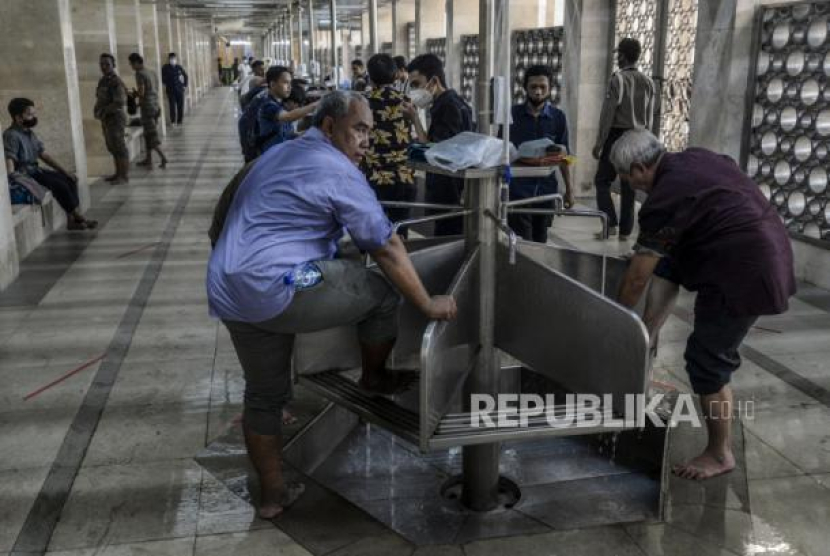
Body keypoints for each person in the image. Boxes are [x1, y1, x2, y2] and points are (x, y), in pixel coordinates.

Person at [207, 90, 457, 519]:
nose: (366, 141)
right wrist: (428, 304)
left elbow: (219, 221)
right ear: (328, 126)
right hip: (281, 286)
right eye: (358, 129)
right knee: (384, 292)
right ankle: (374, 378)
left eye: (370, 132)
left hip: (229, 288)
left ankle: (271, 496)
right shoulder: (338, 171)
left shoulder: (274, 154)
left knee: (263, 397)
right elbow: (388, 247)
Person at [612, 129, 795, 481]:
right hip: (763, 250)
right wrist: (644, 333)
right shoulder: (695, 158)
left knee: (707, 361)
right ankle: (717, 443)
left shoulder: (663, 197)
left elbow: (638, 278)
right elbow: (668, 268)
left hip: (743, 271)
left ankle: (719, 453)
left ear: (638, 169)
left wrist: (615, 324)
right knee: (669, 264)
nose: (630, 187)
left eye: (627, 180)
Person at [404, 53, 474, 236]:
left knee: (447, 237)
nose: (414, 91)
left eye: (417, 84)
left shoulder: (448, 107)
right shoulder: (446, 103)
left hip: (450, 191)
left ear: (434, 81)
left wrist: (414, 119)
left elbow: (435, 150)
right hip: (447, 189)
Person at [592, 37, 656, 241]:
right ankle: (626, 231)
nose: (617, 59)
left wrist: (600, 142)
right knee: (629, 184)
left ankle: (609, 223)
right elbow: (650, 115)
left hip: (617, 136)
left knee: (602, 180)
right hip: (639, 136)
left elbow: (608, 114)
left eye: (618, 54)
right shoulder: (648, 82)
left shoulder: (618, 79)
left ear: (622, 55)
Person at [4, 98, 98, 230]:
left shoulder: (28, 132)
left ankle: (72, 220)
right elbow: (10, 158)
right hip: (25, 174)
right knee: (59, 185)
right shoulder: (11, 135)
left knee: (69, 180)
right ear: (18, 117)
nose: (33, 117)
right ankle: (78, 217)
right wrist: (12, 177)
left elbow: (44, 155)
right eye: (30, 115)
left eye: (33, 114)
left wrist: (64, 171)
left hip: (36, 170)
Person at [508, 65, 574, 243]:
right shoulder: (512, 115)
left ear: (550, 88)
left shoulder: (558, 117)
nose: (538, 92)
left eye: (543, 87)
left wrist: (569, 189)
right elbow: (502, 151)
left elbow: (566, 156)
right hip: (518, 192)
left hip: (546, 191)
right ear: (525, 88)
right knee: (523, 243)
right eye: (533, 87)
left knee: (541, 242)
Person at [361, 54, 416, 237]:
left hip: (373, 177)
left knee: (374, 233)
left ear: (370, 76)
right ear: (395, 76)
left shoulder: (363, 103)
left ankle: (371, 265)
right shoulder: (406, 102)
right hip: (403, 176)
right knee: (399, 232)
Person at [257, 66, 317, 154]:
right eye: (285, 83)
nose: (290, 87)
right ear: (273, 84)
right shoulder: (268, 105)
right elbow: (288, 117)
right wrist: (316, 105)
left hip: (282, 153)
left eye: (290, 83)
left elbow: (289, 135)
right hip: (272, 157)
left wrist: (313, 132)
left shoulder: (280, 105)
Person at [94, 53, 129, 184]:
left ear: (113, 65)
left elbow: (119, 102)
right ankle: (117, 173)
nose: (104, 67)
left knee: (119, 146)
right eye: (101, 64)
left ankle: (124, 176)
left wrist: (103, 111)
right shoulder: (103, 80)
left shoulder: (116, 81)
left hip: (116, 118)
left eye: (107, 64)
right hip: (106, 119)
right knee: (112, 146)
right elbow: (100, 98)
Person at [128, 53, 168, 169]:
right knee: (147, 134)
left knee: (151, 135)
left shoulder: (139, 74)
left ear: (136, 62)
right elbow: (155, 89)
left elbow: (142, 93)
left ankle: (163, 158)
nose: (131, 66)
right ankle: (148, 159)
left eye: (131, 64)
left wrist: (134, 96)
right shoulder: (151, 72)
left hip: (147, 108)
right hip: (155, 106)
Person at [161, 52, 189, 126]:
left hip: (179, 90)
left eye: (174, 59)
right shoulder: (165, 67)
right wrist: (167, 81)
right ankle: (173, 121)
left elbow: (185, 76)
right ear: (169, 59)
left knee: (180, 106)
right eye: (171, 59)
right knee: (172, 106)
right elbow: (163, 78)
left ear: (176, 59)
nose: (173, 60)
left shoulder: (179, 67)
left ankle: (180, 120)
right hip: (171, 90)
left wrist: (184, 85)